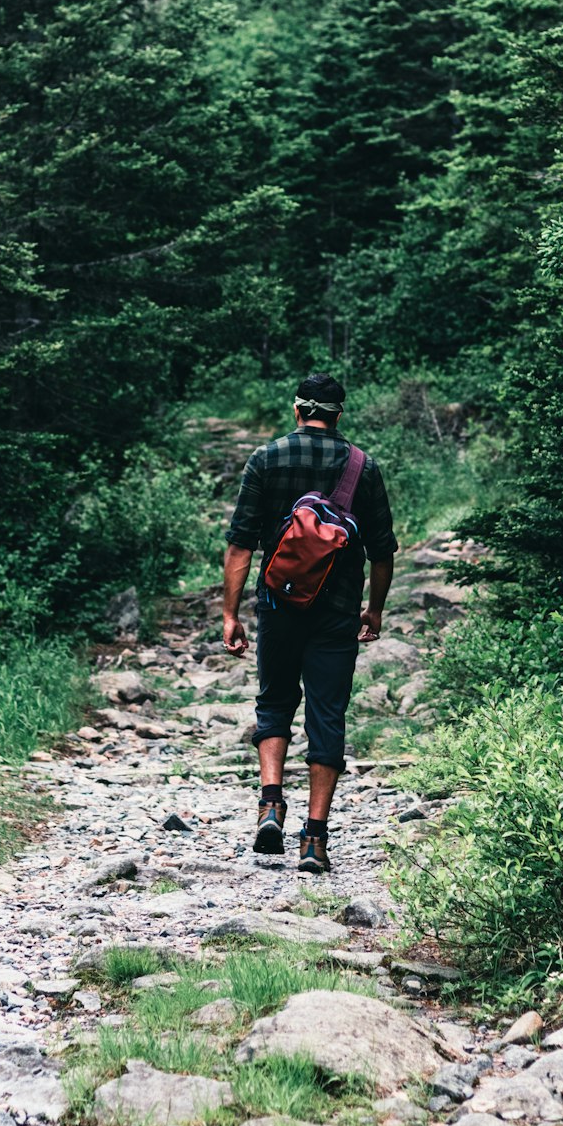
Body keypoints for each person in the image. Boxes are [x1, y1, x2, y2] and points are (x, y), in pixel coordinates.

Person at [223, 372, 397, 873]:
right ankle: (315, 840)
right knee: (327, 713)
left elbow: (240, 545)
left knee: (275, 700)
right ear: (339, 414)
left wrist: (231, 614)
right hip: (337, 611)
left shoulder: (266, 458)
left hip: (278, 604)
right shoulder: (362, 466)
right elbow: (382, 553)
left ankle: (270, 803)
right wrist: (375, 608)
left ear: (298, 410)